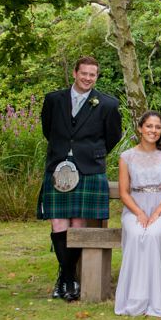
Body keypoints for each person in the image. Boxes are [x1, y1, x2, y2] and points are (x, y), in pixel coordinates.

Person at [38, 56, 122, 302]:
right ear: (75, 73)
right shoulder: (54, 100)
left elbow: (113, 136)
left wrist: (91, 153)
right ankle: (68, 277)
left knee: (78, 225)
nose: (87, 78)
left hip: (89, 168)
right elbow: (47, 130)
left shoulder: (107, 104)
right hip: (58, 166)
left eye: (92, 75)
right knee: (58, 224)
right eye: (83, 73)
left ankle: (66, 279)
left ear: (97, 77)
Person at [114, 111, 161, 317]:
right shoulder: (127, 157)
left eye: (157, 127)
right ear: (140, 128)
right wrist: (139, 213)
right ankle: (136, 298)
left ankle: (158, 299)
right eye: (149, 126)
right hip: (135, 209)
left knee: (153, 234)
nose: (153, 131)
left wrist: (156, 212)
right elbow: (123, 192)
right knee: (137, 234)